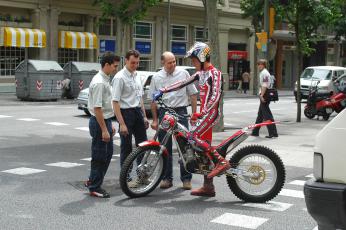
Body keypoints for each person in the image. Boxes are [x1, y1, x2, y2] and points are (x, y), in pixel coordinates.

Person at [153, 42, 230, 197]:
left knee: (193, 139)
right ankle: (208, 186)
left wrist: (202, 113)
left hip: (211, 113)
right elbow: (182, 84)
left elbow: (215, 97)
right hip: (204, 114)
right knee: (202, 150)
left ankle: (221, 161)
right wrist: (163, 90)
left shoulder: (215, 73)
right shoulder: (200, 74)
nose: (192, 63)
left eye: (194, 60)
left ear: (202, 57)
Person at [149, 51, 198, 190]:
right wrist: (154, 120)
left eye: (174, 61)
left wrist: (194, 114)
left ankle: (186, 179)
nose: (173, 65)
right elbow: (153, 99)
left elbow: (193, 94)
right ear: (163, 63)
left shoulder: (183, 74)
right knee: (164, 147)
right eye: (169, 62)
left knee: (185, 146)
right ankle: (166, 178)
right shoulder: (156, 77)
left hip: (181, 111)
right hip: (164, 112)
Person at [86, 52, 120, 198]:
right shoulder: (100, 82)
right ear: (106, 64)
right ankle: (95, 186)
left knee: (107, 154)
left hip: (104, 121)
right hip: (99, 122)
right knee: (100, 156)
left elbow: (104, 107)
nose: (115, 69)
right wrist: (104, 129)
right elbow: (97, 108)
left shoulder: (105, 79)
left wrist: (109, 123)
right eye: (114, 66)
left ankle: (93, 180)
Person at [112, 50, 149, 168]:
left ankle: (142, 174)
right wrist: (121, 123)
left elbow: (140, 97)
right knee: (126, 148)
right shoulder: (119, 77)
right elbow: (115, 102)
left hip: (137, 111)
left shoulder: (137, 75)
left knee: (143, 145)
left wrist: (144, 116)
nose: (135, 65)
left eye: (137, 63)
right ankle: (126, 178)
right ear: (126, 60)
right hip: (125, 113)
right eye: (133, 63)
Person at [251, 59, 278, 138]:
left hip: (265, 94)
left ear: (264, 65)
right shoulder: (263, 73)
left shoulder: (265, 73)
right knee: (260, 115)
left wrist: (261, 95)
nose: (259, 66)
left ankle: (273, 133)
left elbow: (265, 85)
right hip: (264, 93)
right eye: (258, 64)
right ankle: (255, 132)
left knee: (267, 115)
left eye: (261, 64)